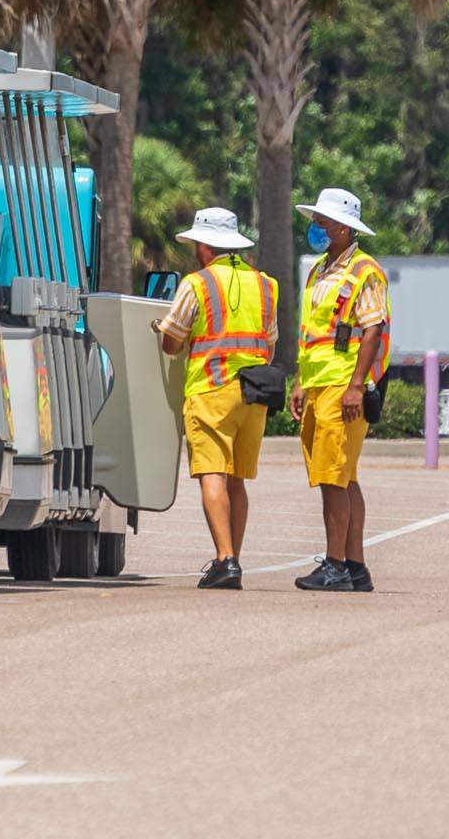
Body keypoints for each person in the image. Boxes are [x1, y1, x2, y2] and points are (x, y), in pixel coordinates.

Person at [155, 207, 279, 590]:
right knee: (237, 480)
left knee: (213, 474)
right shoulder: (265, 285)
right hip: (253, 392)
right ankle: (233, 558)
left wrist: (161, 331)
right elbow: (269, 345)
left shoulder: (198, 284)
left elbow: (172, 342)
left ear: (206, 245)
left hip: (211, 389)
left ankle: (225, 560)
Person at [290, 187, 390, 593]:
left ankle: (335, 565)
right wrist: (300, 382)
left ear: (345, 229)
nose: (315, 227)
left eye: (323, 222)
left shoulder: (364, 271)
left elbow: (372, 329)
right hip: (318, 383)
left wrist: (355, 386)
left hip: (342, 384)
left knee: (334, 478)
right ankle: (354, 567)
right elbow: (312, 333)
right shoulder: (319, 270)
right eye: (315, 220)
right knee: (343, 477)